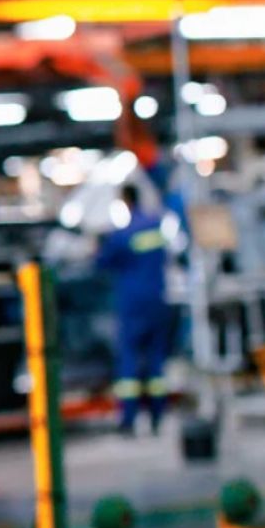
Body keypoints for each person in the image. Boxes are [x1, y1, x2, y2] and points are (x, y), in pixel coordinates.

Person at [96, 182, 174, 435]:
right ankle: (157, 416)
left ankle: (128, 419)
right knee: (156, 360)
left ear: (124, 202)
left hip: (132, 304)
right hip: (159, 299)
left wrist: (97, 243)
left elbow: (102, 263)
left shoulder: (121, 235)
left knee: (128, 360)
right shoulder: (155, 226)